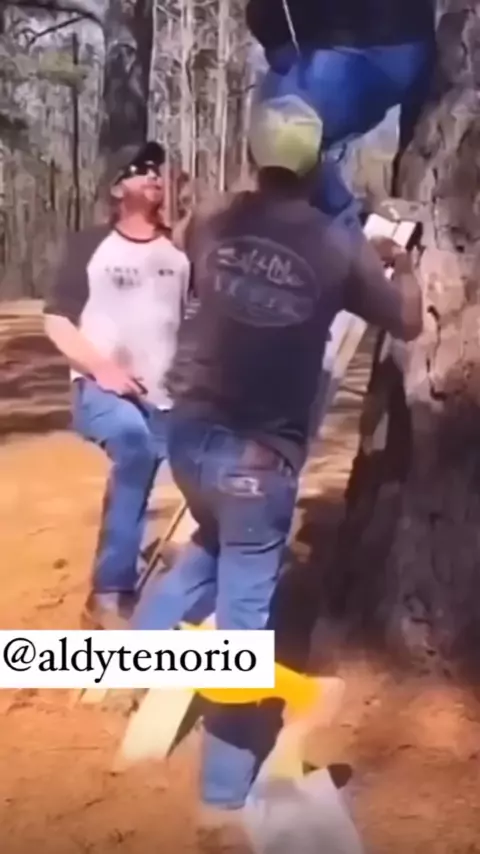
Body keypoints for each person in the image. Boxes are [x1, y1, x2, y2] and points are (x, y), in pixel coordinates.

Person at [132, 96, 422, 840]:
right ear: (317, 163)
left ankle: (130, 666)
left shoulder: (213, 220)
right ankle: (223, 796)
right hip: (257, 461)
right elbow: (408, 320)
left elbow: (206, 261)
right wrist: (399, 264)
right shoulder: (338, 247)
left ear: (256, 156)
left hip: (188, 437)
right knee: (243, 625)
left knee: (209, 548)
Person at [43, 141, 190, 630]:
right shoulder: (90, 246)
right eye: (140, 169)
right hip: (100, 390)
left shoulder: (179, 251)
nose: (154, 175)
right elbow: (56, 321)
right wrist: (102, 369)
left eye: (156, 169)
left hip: (167, 399)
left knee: (209, 467)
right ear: (116, 187)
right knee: (134, 447)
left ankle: (193, 582)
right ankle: (108, 596)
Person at [246, 0, 435, 223]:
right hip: (406, 43)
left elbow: (262, 13)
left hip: (398, 46)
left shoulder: (285, 119)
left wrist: (359, 212)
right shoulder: (284, 88)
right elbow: (262, 13)